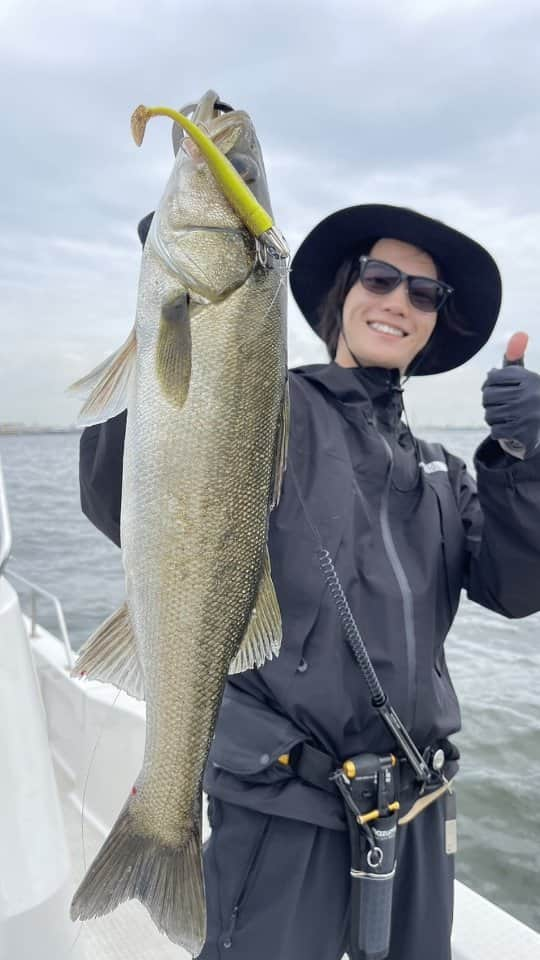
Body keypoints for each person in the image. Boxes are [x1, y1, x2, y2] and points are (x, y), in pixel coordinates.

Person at [78, 203, 540, 960]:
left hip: (416, 811)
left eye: (424, 294)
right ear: (342, 293)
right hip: (280, 814)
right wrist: (170, 315)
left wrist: (526, 458)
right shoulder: (261, 408)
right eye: (381, 278)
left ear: (435, 324)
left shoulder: (443, 475)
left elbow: (517, 586)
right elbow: (115, 498)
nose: (398, 301)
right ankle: (157, 835)